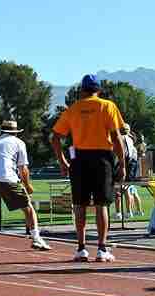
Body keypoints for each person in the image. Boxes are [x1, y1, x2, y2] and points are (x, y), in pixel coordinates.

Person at [51, 74, 126, 263]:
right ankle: (101, 249)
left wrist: (62, 161)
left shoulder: (73, 109)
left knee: (79, 204)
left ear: (82, 90)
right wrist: (123, 164)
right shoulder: (107, 106)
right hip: (102, 159)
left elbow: (55, 137)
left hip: (80, 159)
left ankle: (81, 248)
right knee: (102, 205)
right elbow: (116, 137)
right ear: (98, 89)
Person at [0, 121, 51, 251]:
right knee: (28, 208)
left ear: (2, 131)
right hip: (7, 178)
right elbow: (23, 168)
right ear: (15, 132)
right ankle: (36, 239)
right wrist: (27, 185)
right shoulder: (19, 143)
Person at [114, 123, 142, 219]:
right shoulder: (131, 140)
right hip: (131, 168)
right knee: (127, 190)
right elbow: (135, 158)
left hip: (122, 166)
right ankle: (129, 212)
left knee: (118, 191)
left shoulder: (120, 139)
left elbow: (117, 155)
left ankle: (118, 213)